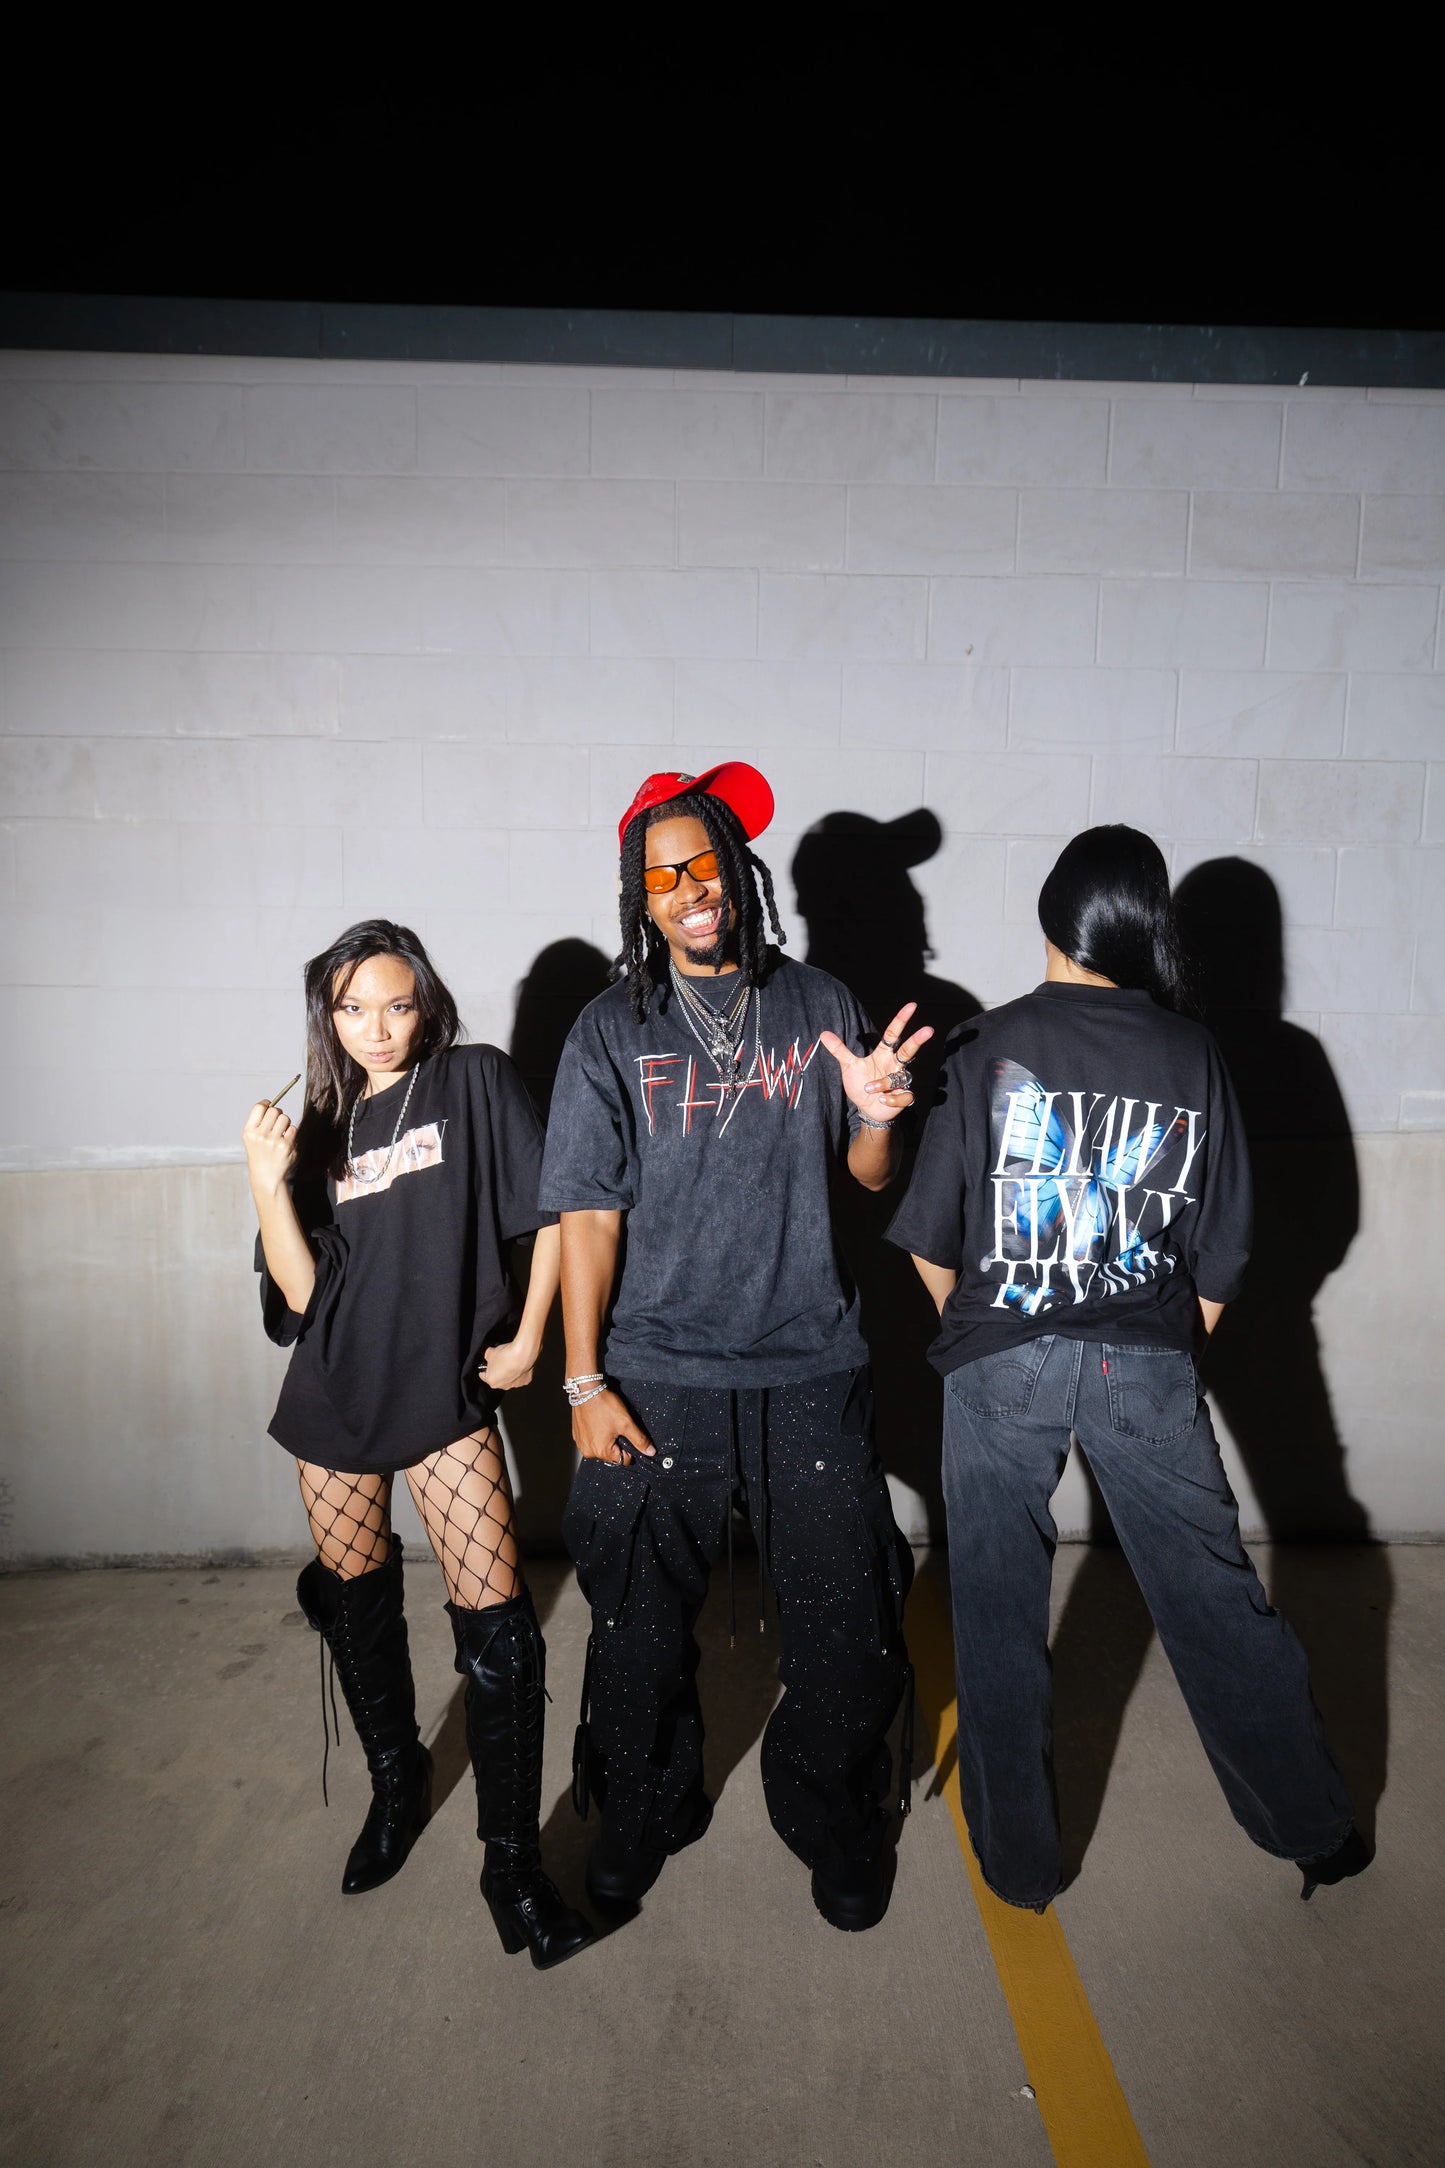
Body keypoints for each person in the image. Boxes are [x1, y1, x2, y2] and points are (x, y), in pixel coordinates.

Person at [886, 826, 1371, 1912]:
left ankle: (1018, 1867)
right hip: (1144, 1357)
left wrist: (978, 1328)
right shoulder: (1191, 1052)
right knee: (1213, 1599)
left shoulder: (983, 1041)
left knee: (996, 1617)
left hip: (998, 1355)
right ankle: (1315, 1831)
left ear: (1050, 914)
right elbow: (1226, 1248)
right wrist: (1162, 1341)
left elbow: (926, 1234)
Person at [540, 763, 927, 1932]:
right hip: (655, 1371)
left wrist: (876, 1114)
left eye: (703, 864)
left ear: (739, 869)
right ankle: (642, 1806)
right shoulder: (610, 1028)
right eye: (662, 878)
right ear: (639, 899)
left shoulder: (817, 1000)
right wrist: (582, 1378)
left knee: (844, 1618)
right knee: (637, 1625)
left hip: (808, 1359)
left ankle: (833, 1812)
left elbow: (867, 1178)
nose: (689, 890)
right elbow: (587, 1216)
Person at [242, 918, 593, 1969]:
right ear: (329, 1017)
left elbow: (553, 1209)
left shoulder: (473, 1080)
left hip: (443, 1395)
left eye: (396, 1004)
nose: (377, 1027)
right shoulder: (319, 1126)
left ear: (425, 1004)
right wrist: (265, 1182)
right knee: (360, 1610)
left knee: (503, 1636)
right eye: (353, 1009)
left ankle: (511, 1866)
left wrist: (530, 1335)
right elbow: (304, 1300)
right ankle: (397, 1788)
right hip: (334, 1400)